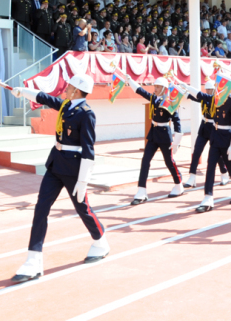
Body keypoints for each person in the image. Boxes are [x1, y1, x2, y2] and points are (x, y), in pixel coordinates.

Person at [10, 74, 108, 283]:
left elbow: (89, 151)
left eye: (70, 86)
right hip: (55, 164)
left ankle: (100, 240)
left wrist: (83, 181)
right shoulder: (66, 105)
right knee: (41, 208)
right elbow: (45, 98)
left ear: (77, 90)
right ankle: (34, 259)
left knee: (83, 208)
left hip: (73, 169)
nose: (66, 88)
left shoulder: (86, 114)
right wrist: (22, 91)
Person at [125, 75, 184, 203]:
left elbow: (177, 121)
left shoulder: (170, 102)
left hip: (164, 135)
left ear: (164, 89)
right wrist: (130, 81)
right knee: (145, 160)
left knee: (169, 162)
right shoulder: (153, 98)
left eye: (158, 87)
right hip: (153, 133)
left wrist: (177, 142)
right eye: (155, 86)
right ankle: (141, 190)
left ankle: (179, 184)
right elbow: (140, 91)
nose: (155, 88)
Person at [180, 80, 231, 189]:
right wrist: (182, 90)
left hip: (214, 128)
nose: (208, 92)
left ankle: (224, 173)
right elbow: (193, 97)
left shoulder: (218, 100)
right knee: (197, 150)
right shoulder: (204, 98)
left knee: (218, 155)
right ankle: (192, 176)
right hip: (204, 127)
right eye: (207, 90)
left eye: (211, 90)